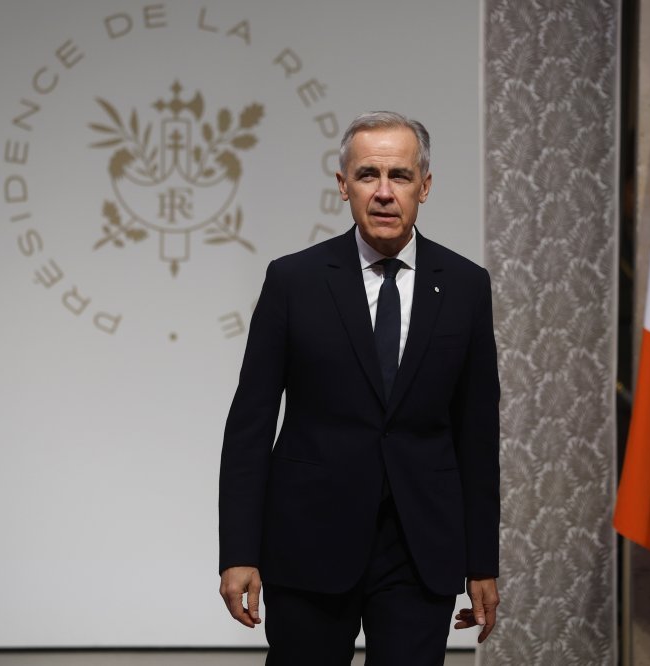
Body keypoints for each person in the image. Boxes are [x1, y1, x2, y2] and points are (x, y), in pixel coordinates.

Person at [218, 111, 500, 665]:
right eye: (368, 174)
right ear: (343, 185)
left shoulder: (466, 285)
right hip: (309, 541)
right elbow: (249, 425)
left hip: (420, 548)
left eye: (400, 175)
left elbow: (477, 433)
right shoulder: (293, 281)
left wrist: (481, 562)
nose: (384, 192)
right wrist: (239, 552)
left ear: (425, 186)